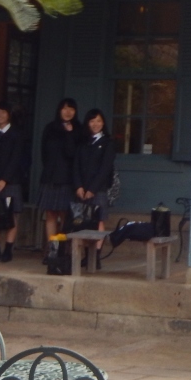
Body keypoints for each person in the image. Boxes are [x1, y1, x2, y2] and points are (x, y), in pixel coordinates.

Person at [0, 102, 26, 262]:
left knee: (12, 216)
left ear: (9, 115)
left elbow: (16, 159)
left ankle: (8, 250)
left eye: (3, 112)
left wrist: (4, 180)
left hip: (11, 181)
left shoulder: (17, 134)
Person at [73, 109, 115, 268]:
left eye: (98, 121)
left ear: (103, 123)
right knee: (83, 222)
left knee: (98, 221)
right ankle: (86, 255)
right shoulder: (83, 143)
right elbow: (76, 166)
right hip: (81, 190)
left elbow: (105, 168)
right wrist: (78, 186)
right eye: (92, 121)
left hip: (98, 189)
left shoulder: (108, 143)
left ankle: (95, 256)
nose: (95, 124)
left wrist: (92, 189)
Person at [39, 98, 83, 242]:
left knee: (65, 215)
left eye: (71, 109)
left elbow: (73, 154)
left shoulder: (79, 130)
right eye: (64, 108)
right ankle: (53, 247)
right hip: (50, 178)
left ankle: (64, 248)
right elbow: (44, 153)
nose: (67, 112)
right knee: (50, 214)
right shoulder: (50, 128)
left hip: (68, 180)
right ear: (59, 110)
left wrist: (69, 134)